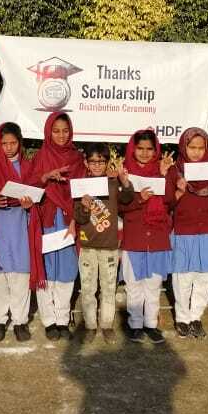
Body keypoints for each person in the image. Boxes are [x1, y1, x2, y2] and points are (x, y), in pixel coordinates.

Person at [26, 113, 85, 340]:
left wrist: (74, 221)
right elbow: (29, 187)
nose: (61, 135)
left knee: (67, 272)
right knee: (47, 271)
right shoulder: (41, 156)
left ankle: (62, 319)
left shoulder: (77, 158)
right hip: (46, 220)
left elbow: (81, 194)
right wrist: (46, 177)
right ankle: (49, 321)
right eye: (56, 130)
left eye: (65, 130)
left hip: (69, 221)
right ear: (48, 132)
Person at [73, 143, 133, 343]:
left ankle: (107, 325)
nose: (97, 165)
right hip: (87, 246)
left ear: (107, 162)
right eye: (93, 161)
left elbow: (127, 199)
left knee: (108, 288)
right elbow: (79, 218)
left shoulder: (113, 183)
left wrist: (124, 181)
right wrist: (84, 207)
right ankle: (90, 326)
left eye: (101, 161)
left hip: (109, 246)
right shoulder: (80, 186)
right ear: (86, 163)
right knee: (88, 289)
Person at [165, 128, 208, 339]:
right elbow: (166, 203)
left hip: (207, 231)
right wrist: (179, 191)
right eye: (192, 147)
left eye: (201, 148)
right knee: (183, 277)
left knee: (205, 276)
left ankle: (196, 317)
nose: (196, 152)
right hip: (183, 231)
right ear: (184, 147)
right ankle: (182, 318)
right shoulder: (175, 171)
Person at [119, 130, 173, 344]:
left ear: (155, 150)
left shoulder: (163, 169)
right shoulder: (124, 171)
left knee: (153, 285)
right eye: (140, 148)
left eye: (149, 149)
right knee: (134, 285)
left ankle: (151, 324)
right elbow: (120, 206)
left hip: (157, 239)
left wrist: (163, 175)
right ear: (133, 149)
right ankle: (135, 325)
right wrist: (138, 198)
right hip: (134, 239)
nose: (144, 153)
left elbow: (171, 201)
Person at [0, 123, 36, 342]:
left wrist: (30, 204)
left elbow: (36, 192)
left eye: (13, 143)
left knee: (20, 274)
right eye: (4, 143)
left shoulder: (29, 166)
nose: (8, 147)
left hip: (20, 223)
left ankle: (20, 321)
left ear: (20, 142)